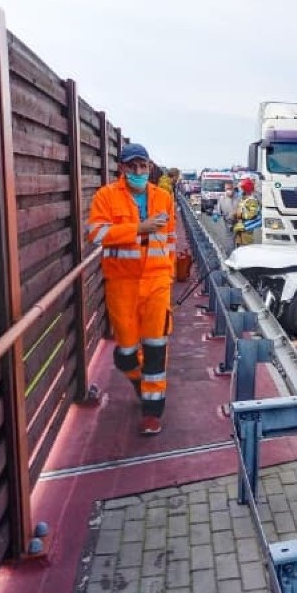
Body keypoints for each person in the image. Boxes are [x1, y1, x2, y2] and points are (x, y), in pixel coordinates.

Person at [87, 143, 176, 436]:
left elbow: (171, 239)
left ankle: (152, 412)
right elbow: (96, 234)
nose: (139, 171)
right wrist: (138, 229)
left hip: (156, 282)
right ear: (122, 168)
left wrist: (170, 275)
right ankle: (140, 382)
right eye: (132, 166)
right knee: (125, 354)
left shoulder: (163, 197)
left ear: (149, 167)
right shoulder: (106, 196)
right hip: (122, 284)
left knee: (155, 348)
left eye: (143, 166)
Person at [232, 177, 261, 246]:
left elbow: (252, 214)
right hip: (240, 226)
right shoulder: (244, 199)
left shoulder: (252, 200)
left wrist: (239, 214)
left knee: (246, 246)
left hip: (247, 227)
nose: (240, 190)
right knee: (238, 245)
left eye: (241, 188)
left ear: (246, 189)